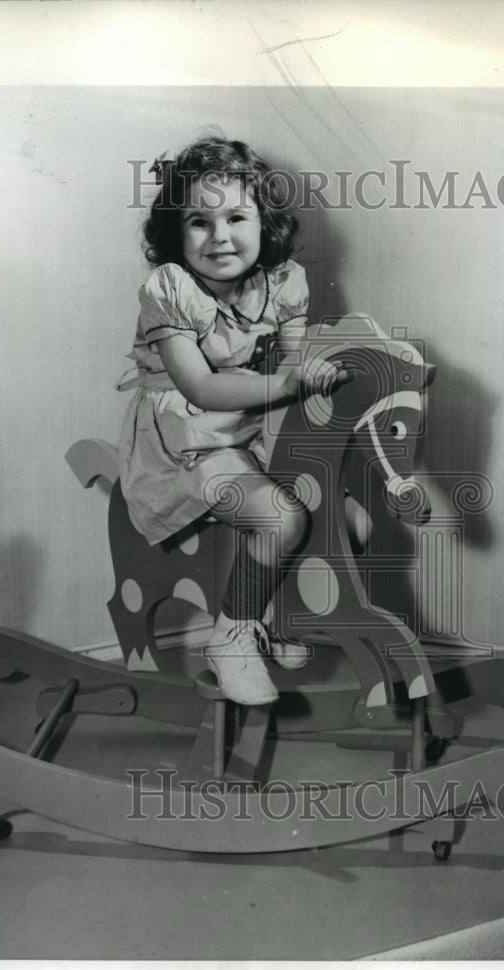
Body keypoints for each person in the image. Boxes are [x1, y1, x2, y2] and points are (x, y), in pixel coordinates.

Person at [118, 136, 348, 705]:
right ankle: (232, 635)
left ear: (263, 224)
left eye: (236, 216)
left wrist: (312, 373)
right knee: (280, 519)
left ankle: (278, 615)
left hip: (253, 423)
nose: (220, 235)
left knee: (337, 509)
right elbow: (200, 386)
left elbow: (294, 359)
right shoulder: (168, 291)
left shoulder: (283, 281)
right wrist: (284, 384)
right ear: (176, 233)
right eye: (199, 220)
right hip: (189, 440)